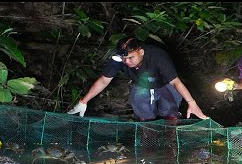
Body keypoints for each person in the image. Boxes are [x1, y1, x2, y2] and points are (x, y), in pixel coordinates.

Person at [67, 36, 208, 121]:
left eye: (131, 57)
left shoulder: (158, 56)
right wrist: (83, 101)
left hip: (165, 84)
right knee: (144, 117)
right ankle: (148, 145)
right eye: (124, 58)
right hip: (141, 85)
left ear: (141, 51)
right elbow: (104, 80)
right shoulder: (118, 59)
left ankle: (170, 143)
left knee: (170, 113)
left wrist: (192, 102)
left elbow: (175, 82)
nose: (127, 62)